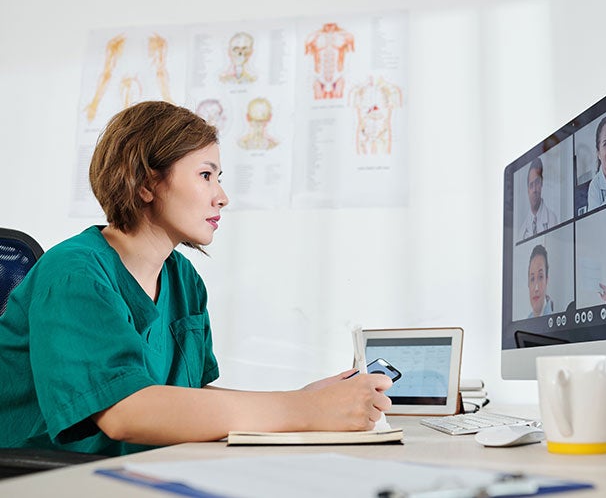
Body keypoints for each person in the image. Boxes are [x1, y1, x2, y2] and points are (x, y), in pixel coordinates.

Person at [0, 101, 391, 456]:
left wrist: (299, 398)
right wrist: (303, 410)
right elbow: (124, 411)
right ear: (146, 183)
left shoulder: (182, 278)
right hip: (45, 476)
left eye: (219, 177)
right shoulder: (73, 273)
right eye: (206, 175)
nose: (222, 197)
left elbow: (183, 401)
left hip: (145, 469)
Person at [519, 157, 558, 240]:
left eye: (537, 183)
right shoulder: (522, 231)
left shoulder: (552, 219)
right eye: (531, 185)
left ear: (541, 184)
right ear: (528, 190)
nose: (534, 190)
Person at [527, 244, 554, 318]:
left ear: (546, 280)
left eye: (540, 277)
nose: (536, 288)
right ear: (528, 284)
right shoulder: (526, 321)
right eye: (532, 279)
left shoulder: (553, 318)